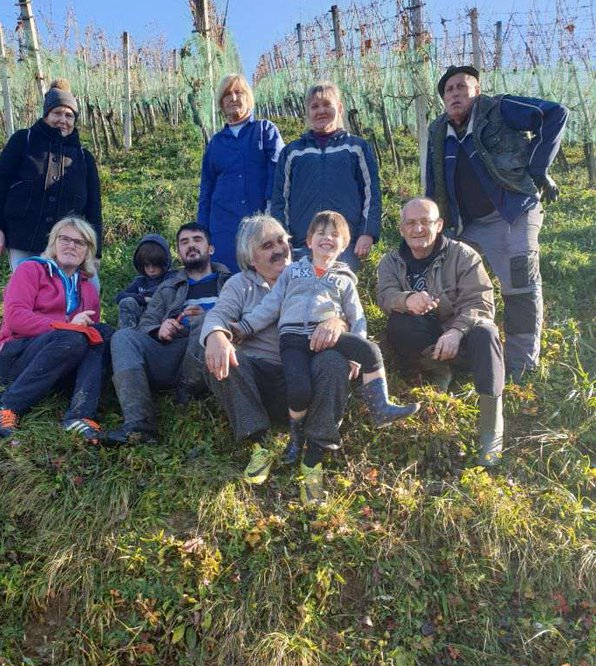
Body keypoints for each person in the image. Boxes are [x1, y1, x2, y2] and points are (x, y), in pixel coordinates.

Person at [231, 210, 419, 466]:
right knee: (299, 391)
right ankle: (295, 438)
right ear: (308, 241)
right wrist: (243, 328)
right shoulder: (292, 273)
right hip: (294, 337)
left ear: (343, 246)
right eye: (321, 233)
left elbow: (357, 317)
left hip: (325, 338)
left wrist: (354, 356)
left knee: (370, 351)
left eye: (334, 235)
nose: (327, 238)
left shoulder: (344, 280)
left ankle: (380, 408)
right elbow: (270, 306)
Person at [426, 64, 568, 381]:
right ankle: (461, 354)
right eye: (449, 90)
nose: (455, 94)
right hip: (467, 223)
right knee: (451, 284)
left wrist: (538, 169)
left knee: (519, 282)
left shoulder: (499, 109)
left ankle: (522, 364)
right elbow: (432, 183)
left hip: (511, 212)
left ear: (477, 91)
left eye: (463, 87)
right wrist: (433, 225)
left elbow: (555, 113)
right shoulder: (438, 131)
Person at [201, 215, 350, 504]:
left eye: (282, 240)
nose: (280, 249)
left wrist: (338, 323)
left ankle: (314, 455)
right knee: (224, 356)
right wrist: (216, 336)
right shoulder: (239, 284)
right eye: (268, 245)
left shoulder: (313, 271)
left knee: (334, 362)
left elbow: (345, 305)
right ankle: (259, 444)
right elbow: (218, 315)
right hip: (261, 382)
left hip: (309, 377)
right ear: (250, 258)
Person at [377, 197, 505, 467]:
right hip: (424, 336)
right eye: (411, 223)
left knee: (486, 332)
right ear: (401, 228)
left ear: (439, 225)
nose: (418, 229)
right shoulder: (391, 261)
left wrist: (457, 331)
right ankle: (439, 371)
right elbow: (385, 295)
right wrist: (406, 299)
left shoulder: (463, 255)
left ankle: (491, 428)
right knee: (398, 323)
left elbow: (481, 302)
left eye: (425, 222)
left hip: (462, 336)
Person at [106, 223, 230, 444]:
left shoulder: (231, 283)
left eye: (197, 240)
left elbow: (248, 320)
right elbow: (145, 324)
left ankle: (188, 391)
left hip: (214, 360)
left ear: (210, 248)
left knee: (207, 322)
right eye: (184, 242)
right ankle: (139, 425)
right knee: (123, 337)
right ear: (179, 253)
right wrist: (159, 329)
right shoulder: (168, 287)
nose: (191, 245)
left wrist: (209, 318)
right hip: (172, 355)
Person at [0, 216, 112, 443]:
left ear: (87, 251)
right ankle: (9, 404)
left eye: (79, 242)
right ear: (53, 243)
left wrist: (80, 330)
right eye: (64, 239)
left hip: (60, 361)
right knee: (74, 337)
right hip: (16, 356)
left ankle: (80, 414)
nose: (71, 245)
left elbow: (89, 334)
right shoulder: (31, 270)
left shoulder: (87, 287)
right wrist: (67, 327)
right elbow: (16, 318)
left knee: (101, 334)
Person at [0, 79, 102, 281]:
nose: (63, 120)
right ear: (46, 114)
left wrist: (96, 252)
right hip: (24, 240)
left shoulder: (84, 158)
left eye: (69, 116)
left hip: (69, 245)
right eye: (57, 113)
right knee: (31, 295)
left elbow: (94, 208)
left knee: (87, 292)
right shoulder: (24, 140)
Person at [271, 81, 380, 271]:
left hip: (343, 245)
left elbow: (371, 193)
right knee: (301, 297)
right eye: (314, 106)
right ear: (308, 113)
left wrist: (367, 233)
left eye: (326, 104)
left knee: (339, 294)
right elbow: (280, 200)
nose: (321, 111)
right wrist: (283, 239)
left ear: (339, 108)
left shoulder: (356, 148)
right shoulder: (293, 152)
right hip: (302, 245)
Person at [197, 73, 284, 274]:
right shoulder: (216, 144)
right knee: (228, 284)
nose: (233, 98)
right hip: (224, 229)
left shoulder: (265, 130)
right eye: (227, 94)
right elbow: (206, 192)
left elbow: (278, 172)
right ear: (221, 103)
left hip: (260, 225)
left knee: (266, 279)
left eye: (239, 92)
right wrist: (202, 233)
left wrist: (272, 211)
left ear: (249, 98)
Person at [115, 234, 174, 328]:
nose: (151, 270)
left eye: (155, 265)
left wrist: (143, 297)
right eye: (147, 265)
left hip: (162, 323)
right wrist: (143, 299)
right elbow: (120, 296)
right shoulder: (140, 281)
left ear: (164, 262)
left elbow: (161, 294)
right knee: (127, 302)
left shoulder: (171, 278)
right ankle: (127, 334)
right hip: (138, 324)